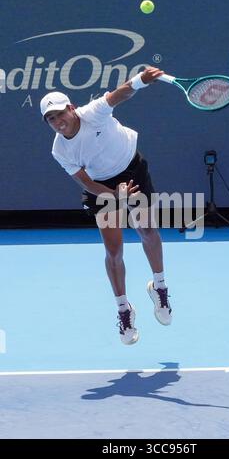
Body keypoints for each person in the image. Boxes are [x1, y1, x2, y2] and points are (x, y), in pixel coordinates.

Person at [40, 67, 172, 345]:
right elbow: (86, 183)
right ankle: (124, 309)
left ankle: (159, 287)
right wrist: (115, 195)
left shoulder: (93, 112)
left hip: (132, 169)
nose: (57, 121)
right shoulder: (59, 150)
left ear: (72, 108)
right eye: (50, 119)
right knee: (114, 251)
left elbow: (119, 94)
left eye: (60, 113)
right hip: (101, 186)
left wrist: (141, 80)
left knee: (147, 229)